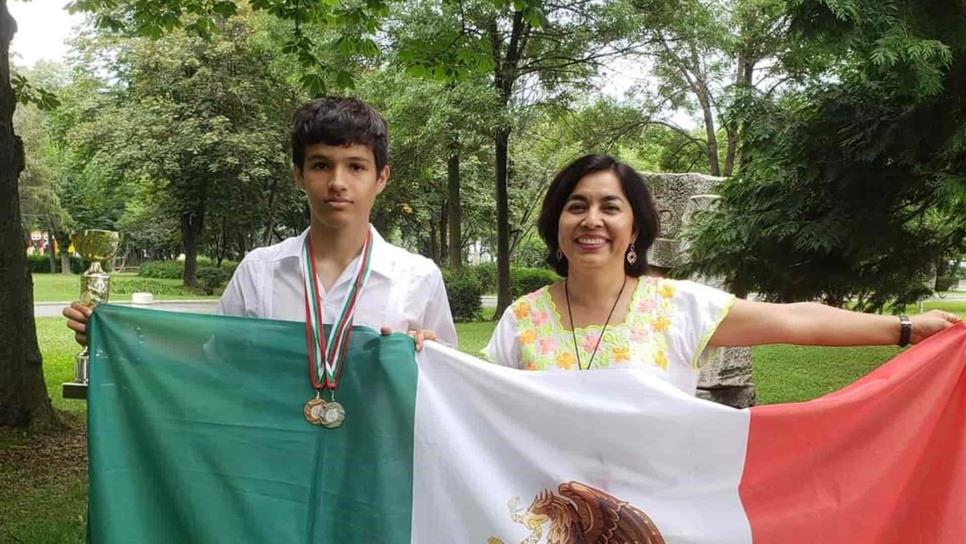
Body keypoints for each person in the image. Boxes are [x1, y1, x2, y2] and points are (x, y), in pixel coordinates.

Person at [484, 154, 960, 395]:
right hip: (548, 521)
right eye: (576, 206)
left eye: (610, 207)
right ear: (557, 224)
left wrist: (904, 328)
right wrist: (419, 353)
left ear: (635, 229)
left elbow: (797, 319)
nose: (592, 221)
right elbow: (472, 409)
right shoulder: (521, 320)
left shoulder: (676, 307)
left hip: (661, 521)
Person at [65, 96, 457, 351]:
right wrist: (112, 341)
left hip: (374, 469)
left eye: (356, 166)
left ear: (381, 178)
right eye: (321, 165)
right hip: (274, 467)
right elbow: (213, 365)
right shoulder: (259, 271)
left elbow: (448, 399)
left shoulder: (418, 278)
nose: (337, 182)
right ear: (298, 176)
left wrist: (429, 356)